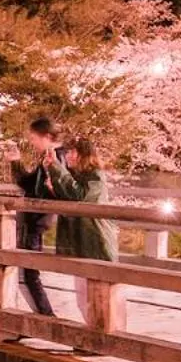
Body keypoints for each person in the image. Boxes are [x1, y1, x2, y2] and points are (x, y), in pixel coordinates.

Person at [51, 135, 120, 323]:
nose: (68, 156)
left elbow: (79, 195)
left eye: (72, 152)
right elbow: (66, 194)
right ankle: (94, 330)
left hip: (95, 242)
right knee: (83, 297)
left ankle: (104, 333)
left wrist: (57, 170)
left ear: (84, 154)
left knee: (99, 296)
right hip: (80, 243)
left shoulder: (95, 176)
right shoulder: (74, 175)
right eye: (67, 152)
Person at [6, 117, 64, 316]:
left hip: (38, 219)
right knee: (26, 273)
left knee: (28, 274)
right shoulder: (48, 157)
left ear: (46, 136)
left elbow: (56, 190)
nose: (32, 143)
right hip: (34, 218)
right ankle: (45, 317)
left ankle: (47, 318)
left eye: (33, 138)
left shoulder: (58, 157)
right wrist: (15, 162)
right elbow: (29, 184)